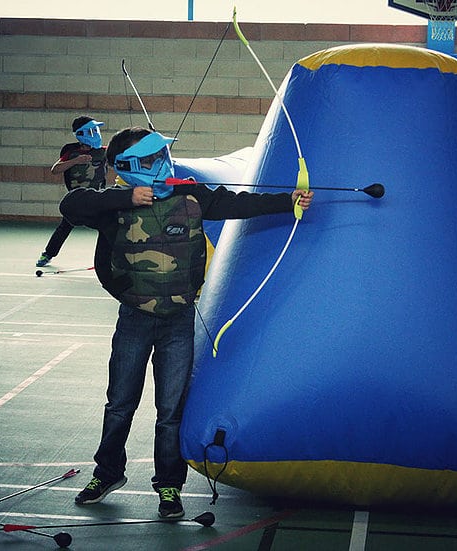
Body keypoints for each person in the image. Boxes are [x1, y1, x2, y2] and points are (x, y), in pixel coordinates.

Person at [59, 126, 313, 518]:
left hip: (178, 319)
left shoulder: (190, 195)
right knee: (120, 403)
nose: (162, 165)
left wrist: (289, 201)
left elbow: (239, 204)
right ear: (128, 168)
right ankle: (107, 472)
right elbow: (72, 206)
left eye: (163, 156)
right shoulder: (114, 206)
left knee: (170, 410)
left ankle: (169, 487)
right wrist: (127, 195)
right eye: (150, 160)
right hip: (134, 319)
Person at [36, 116, 109, 267]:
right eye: (91, 130)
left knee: (108, 227)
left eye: (96, 130)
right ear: (81, 134)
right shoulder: (71, 151)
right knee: (65, 227)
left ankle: (108, 259)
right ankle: (48, 254)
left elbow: (122, 157)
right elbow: (55, 169)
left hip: (97, 200)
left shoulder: (103, 152)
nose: (95, 133)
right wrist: (76, 161)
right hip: (77, 200)